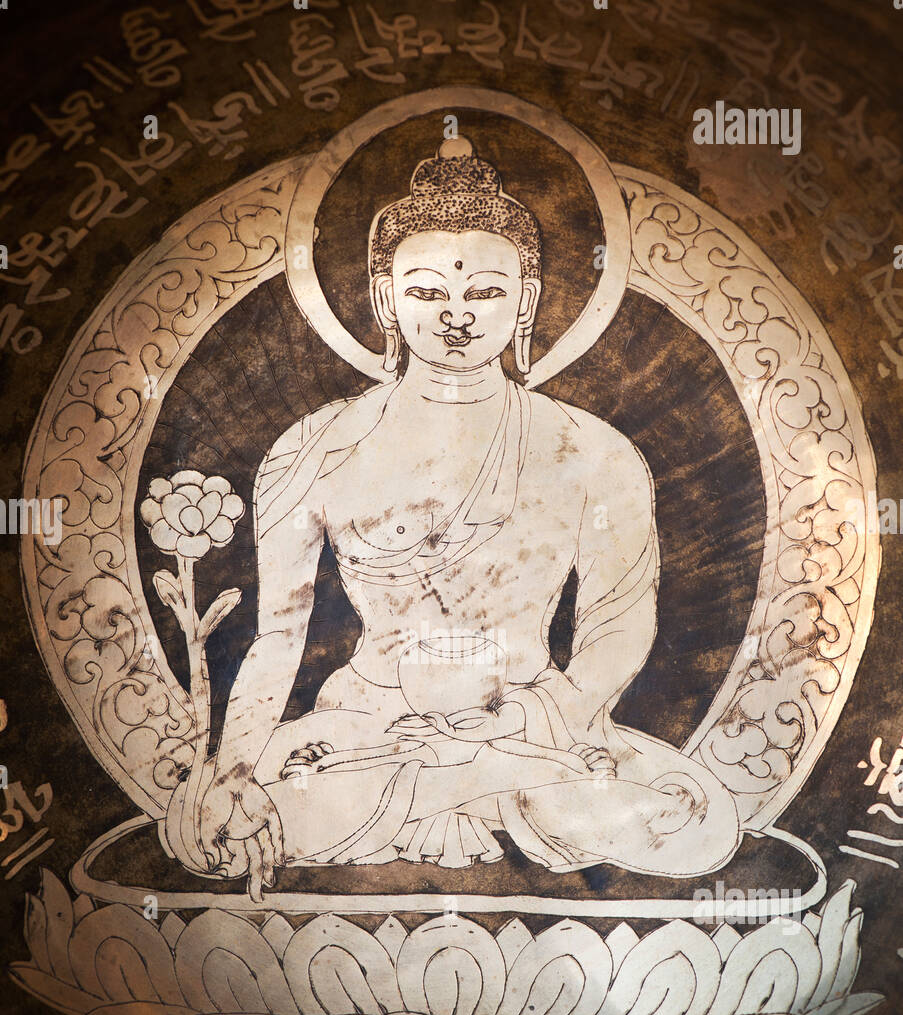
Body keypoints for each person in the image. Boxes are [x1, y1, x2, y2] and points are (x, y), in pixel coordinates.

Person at [195, 137, 740, 898]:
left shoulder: (591, 451)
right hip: (368, 732)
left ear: (526, 298)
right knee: (217, 828)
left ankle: (476, 781)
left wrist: (523, 723)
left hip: (529, 732)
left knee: (695, 821)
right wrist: (234, 769)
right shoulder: (314, 449)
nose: (455, 315)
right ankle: (453, 787)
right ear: (384, 299)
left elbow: (617, 627)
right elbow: (277, 636)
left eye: (483, 293)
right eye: (425, 293)